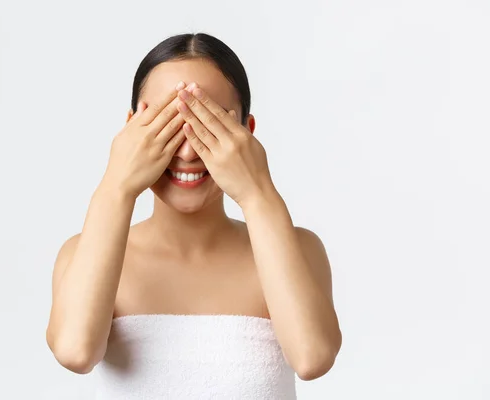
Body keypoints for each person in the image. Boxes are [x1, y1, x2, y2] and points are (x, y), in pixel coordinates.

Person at [45, 32, 342, 399]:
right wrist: (116, 185)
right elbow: (76, 351)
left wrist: (257, 191)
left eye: (208, 124)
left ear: (247, 133)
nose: (187, 152)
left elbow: (313, 357)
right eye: (165, 125)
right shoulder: (81, 255)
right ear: (130, 131)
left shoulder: (299, 250)